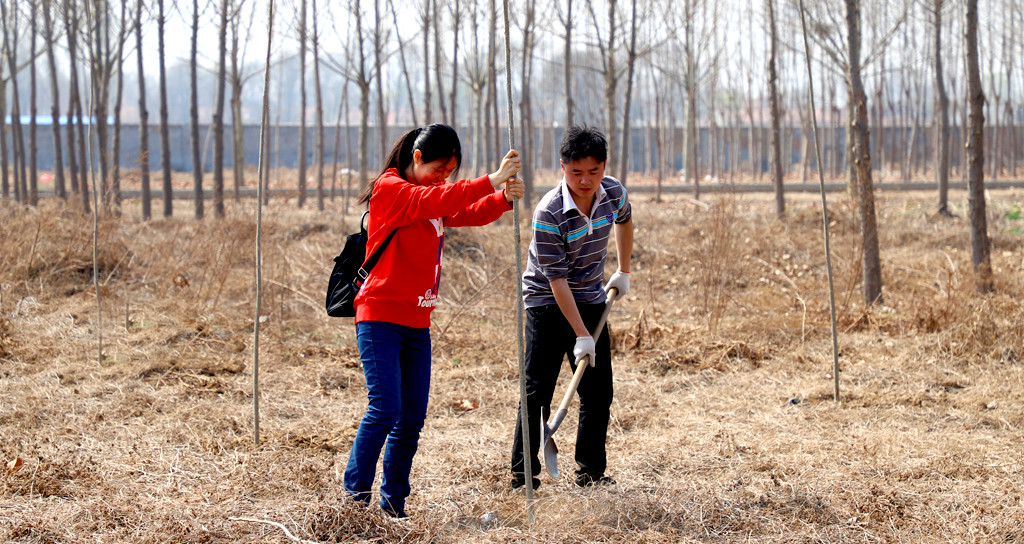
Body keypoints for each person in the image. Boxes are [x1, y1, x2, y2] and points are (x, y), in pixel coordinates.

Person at [346, 123, 523, 517]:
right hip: (380, 316)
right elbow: (444, 198)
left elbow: (467, 211)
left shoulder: (432, 196)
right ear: (417, 157)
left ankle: (393, 506)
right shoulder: (392, 190)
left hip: (417, 323)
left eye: (450, 172)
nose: (444, 178)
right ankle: (353, 504)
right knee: (384, 409)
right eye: (438, 169)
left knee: (410, 419)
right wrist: (492, 179)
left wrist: (502, 199)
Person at [510, 125, 633, 490]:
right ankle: (523, 475)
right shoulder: (549, 212)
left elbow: (625, 220)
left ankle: (590, 472)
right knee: (537, 390)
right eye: (576, 172)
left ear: (604, 166)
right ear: (562, 166)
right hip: (547, 301)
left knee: (598, 392)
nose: (585, 180)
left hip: (591, 296)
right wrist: (581, 334)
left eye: (593, 171)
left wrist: (624, 270)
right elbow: (557, 280)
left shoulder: (613, 192)